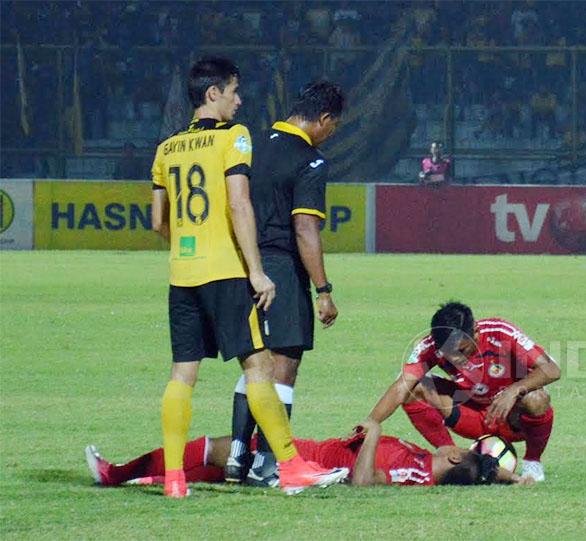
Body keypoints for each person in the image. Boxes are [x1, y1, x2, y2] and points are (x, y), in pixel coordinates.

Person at [149, 57, 347, 497]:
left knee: (183, 374)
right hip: (226, 269)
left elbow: (159, 222)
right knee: (259, 366)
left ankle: (176, 480)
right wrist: (256, 271)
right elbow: (241, 205)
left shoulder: (167, 148)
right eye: (234, 92)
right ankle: (289, 466)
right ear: (213, 93)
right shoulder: (235, 139)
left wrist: (190, 246)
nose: (240, 101)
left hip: (183, 273)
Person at [225, 81, 345, 486]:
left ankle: (237, 458)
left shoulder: (250, 144)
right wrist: (323, 289)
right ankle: (267, 463)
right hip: (279, 267)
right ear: (324, 120)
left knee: (254, 360)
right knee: (283, 366)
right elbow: (305, 229)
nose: (331, 135)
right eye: (334, 127)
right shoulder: (310, 161)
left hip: (240, 263)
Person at [365, 302, 560, 481]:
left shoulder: (500, 332)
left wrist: (514, 390)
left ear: (475, 330)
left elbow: (552, 369)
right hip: (470, 414)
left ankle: (533, 463)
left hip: (510, 417)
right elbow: (401, 387)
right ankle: (452, 455)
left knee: (537, 398)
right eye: (447, 355)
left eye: (463, 351)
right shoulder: (430, 346)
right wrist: (369, 424)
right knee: (413, 387)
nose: (456, 360)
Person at [84, 420, 533, 488]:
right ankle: (145, 479)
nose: (454, 441)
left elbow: (363, 483)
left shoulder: (416, 472)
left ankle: (116, 473)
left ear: (456, 458)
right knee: (222, 470)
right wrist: (510, 476)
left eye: (463, 447)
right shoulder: (421, 463)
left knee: (222, 449)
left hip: (304, 459)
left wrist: (373, 434)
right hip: (307, 453)